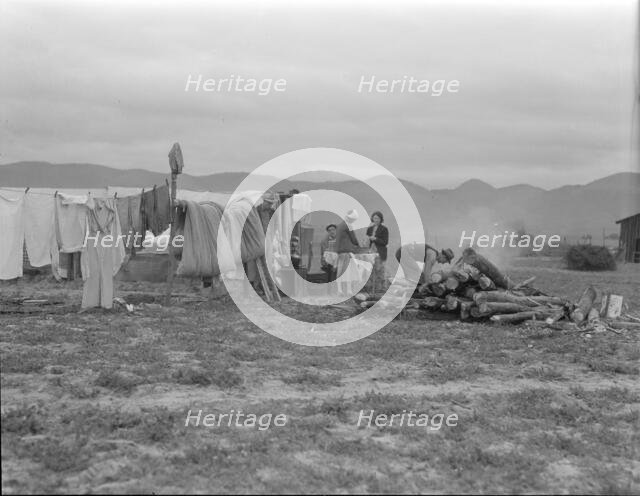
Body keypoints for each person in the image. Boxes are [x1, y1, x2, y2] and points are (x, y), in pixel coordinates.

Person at [335, 209, 360, 292]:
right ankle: (349, 290)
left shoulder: (339, 225)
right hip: (347, 251)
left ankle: (339, 290)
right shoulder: (348, 225)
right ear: (351, 219)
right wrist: (358, 244)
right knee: (348, 271)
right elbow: (354, 239)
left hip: (340, 251)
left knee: (340, 271)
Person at [366, 211, 389, 292]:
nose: (376, 220)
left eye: (377, 218)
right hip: (371, 252)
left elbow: (385, 242)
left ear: (381, 219)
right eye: (374, 218)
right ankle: (372, 288)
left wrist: (376, 239)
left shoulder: (384, 229)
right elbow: (367, 241)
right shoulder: (369, 229)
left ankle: (381, 288)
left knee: (380, 270)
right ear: (372, 218)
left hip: (380, 252)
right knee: (371, 270)